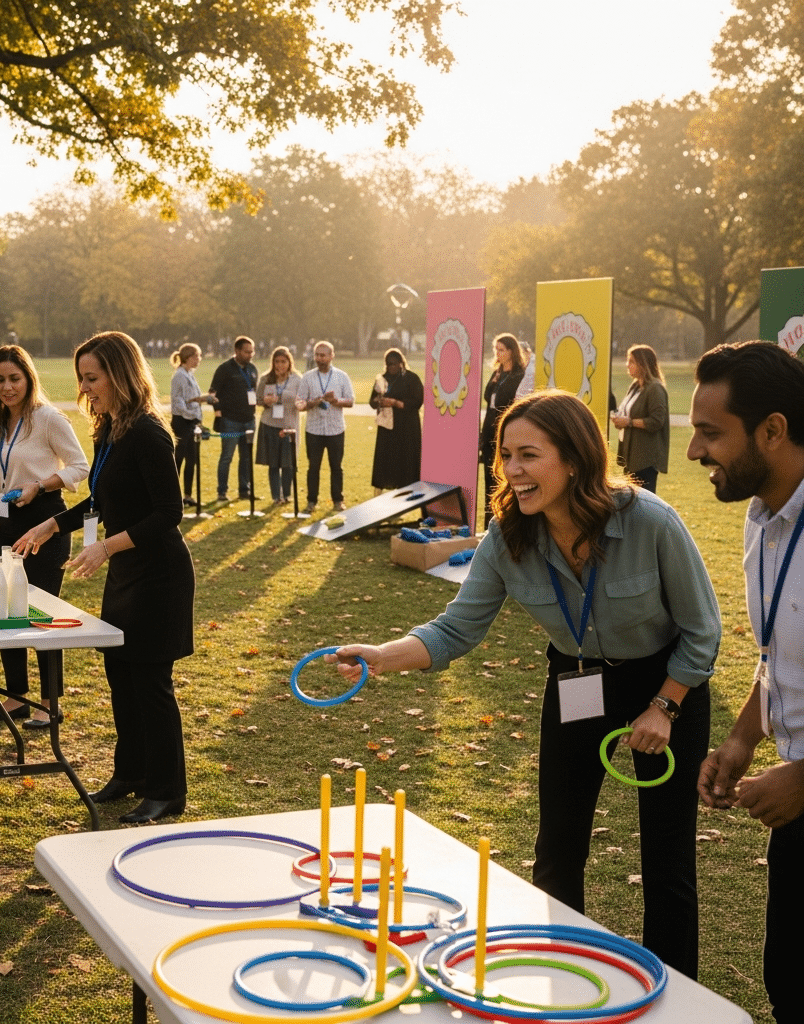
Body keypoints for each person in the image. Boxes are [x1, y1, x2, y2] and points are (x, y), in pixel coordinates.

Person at [330, 390, 720, 979]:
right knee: (558, 848)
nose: (512, 469)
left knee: (667, 859)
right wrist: (383, 655)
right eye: (505, 455)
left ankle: (680, 999)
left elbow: (702, 631)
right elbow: (456, 627)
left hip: (666, 681)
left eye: (528, 455)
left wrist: (664, 706)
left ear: (573, 459)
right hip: (577, 677)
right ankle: (566, 978)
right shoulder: (507, 537)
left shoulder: (649, 521)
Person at [14, 331, 194, 824]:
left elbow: (168, 513)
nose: (86, 389)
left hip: (159, 576)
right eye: (82, 379)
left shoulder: (148, 433)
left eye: (93, 379)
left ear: (120, 375)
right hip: (125, 573)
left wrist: (106, 546)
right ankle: (130, 774)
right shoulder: (109, 429)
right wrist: (52, 524)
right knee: (121, 676)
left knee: (150, 682)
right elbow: (99, 499)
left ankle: (166, 791)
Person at [689, 341, 804, 1022]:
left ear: (773, 430)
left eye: (711, 433)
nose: (696, 451)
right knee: (788, 981)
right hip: (794, 810)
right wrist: (741, 741)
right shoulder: (762, 523)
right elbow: (779, 657)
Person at [0, 346, 89, 729]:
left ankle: (48, 702)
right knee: (5, 609)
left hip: (46, 523)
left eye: (14, 379)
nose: (7, 387)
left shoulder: (48, 419)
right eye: (0, 380)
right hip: (7, 524)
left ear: (28, 378)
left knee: (41, 616)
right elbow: (2, 479)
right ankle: (15, 697)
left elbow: (79, 466)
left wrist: (39, 487)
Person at [300, 341, 354, 514]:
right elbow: (300, 402)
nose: (319, 358)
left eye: (323, 355)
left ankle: (338, 500)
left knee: (336, 466)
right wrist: (313, 402)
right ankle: (311, 501)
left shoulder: (341, 376)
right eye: (317, 355)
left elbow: (351, 400)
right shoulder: (307, 377)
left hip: (335, 429)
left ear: (332, 356)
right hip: (314, 429)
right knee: (313, 467)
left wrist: (336, 401)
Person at [480, 332, 527, 529]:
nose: (497, 353)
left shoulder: (519, 375)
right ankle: (488, 523)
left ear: (511, 351)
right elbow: (487, 397)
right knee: (488, 477)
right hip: (489, 427)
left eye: (501, 350)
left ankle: (506, 521)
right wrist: (493, 382)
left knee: (503, 476)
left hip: (505, 429)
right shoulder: (498, 373)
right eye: (495, 350)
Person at [611, 344, 670, 494]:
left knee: (643, 502)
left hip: (645, 458)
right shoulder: (636, 386)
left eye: (631, 361)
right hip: (631, 456)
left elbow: (657, 421)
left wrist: (628, 422)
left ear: (643, 364)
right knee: (631, 500)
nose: (627, 365)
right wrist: (620, 420)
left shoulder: (655, 388)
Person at [208, 336, 257, 501]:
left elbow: (255, 392)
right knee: (227, 456)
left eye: (252, 351)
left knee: (246, 457)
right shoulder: (224, 369)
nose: (250, 354)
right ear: (237, 351)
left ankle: (245, 491)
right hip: (230, 421)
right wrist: (218, 414)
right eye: (247, 351)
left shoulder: (253, 369)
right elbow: (212, 393)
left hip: (249, 420)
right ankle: (222, 492)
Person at [369, 347, 423, 492]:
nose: (391, 367)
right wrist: (379, 400)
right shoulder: (382, 379)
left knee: (405, 461)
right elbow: (372, 402)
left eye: (394, 363)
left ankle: (405, 493)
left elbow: (418, 401)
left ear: (401, 363)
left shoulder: (411, 378)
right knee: (386, 461)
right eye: (388, 364)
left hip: (407, 427)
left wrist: (396, 403)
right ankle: (381, 494)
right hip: (388, 427)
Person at [255, 346, 302, 504]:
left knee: (288, 463)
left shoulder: (297, 379)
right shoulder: (266, 378)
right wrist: (265, 402)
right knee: (274, 463)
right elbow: (257, 399)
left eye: (283, 361)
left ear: (289, 362)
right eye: (277, 361)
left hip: (289, 426)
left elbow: (301, 400)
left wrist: (289, 398)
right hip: (270, 424)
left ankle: (286, 495)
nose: (280, 365)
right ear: (272, 362)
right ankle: (276, 496)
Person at [169, 344, 213, 506]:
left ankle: (187, 495)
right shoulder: (179, 376)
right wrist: (192, 415)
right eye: (197, 356)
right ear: (188, 357)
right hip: (182, 422)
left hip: (192, 422)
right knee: (178, 460)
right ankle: (173, 497)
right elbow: (178, 403)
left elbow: (191, 398)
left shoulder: (190, 374)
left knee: (192, 459)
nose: (199, 359)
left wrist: (204, 399)